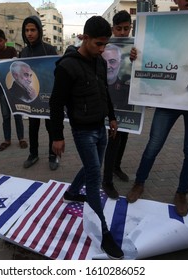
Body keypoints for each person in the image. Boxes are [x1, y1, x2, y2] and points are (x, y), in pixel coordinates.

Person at [50, 16, 123, 259]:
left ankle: (71, 192)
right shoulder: (67, 66)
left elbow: (104, 91)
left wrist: (111, 116)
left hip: (101, 127)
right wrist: (57, 136)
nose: (102, 50)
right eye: (98, 44)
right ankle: (103, 232)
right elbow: (55, 103)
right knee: (95, 177)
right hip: (82, 131)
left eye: (105, 45)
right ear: (85, 38)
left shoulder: (99, 62)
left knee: (92, 167)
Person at [126, 0, 188, 217]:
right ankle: (139, 182)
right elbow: (151, 51)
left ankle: (182, 192)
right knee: (153, 144)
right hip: (169, 98)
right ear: (175, 1)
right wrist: (138, 55)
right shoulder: (164, 25)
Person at [102, 10, 135, 199]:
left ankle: (116, 167)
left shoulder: (134, 49)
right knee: (113, 140)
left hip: (124, 104)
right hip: (105, 105)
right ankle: (106, 180)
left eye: (126, 28)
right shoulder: (104, 46)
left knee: (123, 137)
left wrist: (136, 58)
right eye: (119, 29)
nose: (123, 33)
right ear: (113, 29)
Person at [20, 15, 59, 171]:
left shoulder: (49, 49)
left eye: (33, 30)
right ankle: (33, 154)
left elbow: (57, 72)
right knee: (33, 127)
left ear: (39, 31)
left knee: (51, 128)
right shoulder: (23, 52)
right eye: (27, 30)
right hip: (31, 98)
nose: (30, 33)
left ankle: (53, 155)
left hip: (48, 98)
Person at [0, 29, 27, 152]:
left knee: (17, 114)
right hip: (2, 89)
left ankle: (21, 138)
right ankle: (7, 140)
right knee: (5, 116)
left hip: (14, 89)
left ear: (5, 40)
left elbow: (16, 67)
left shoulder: (12, 51)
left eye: (0, 40)